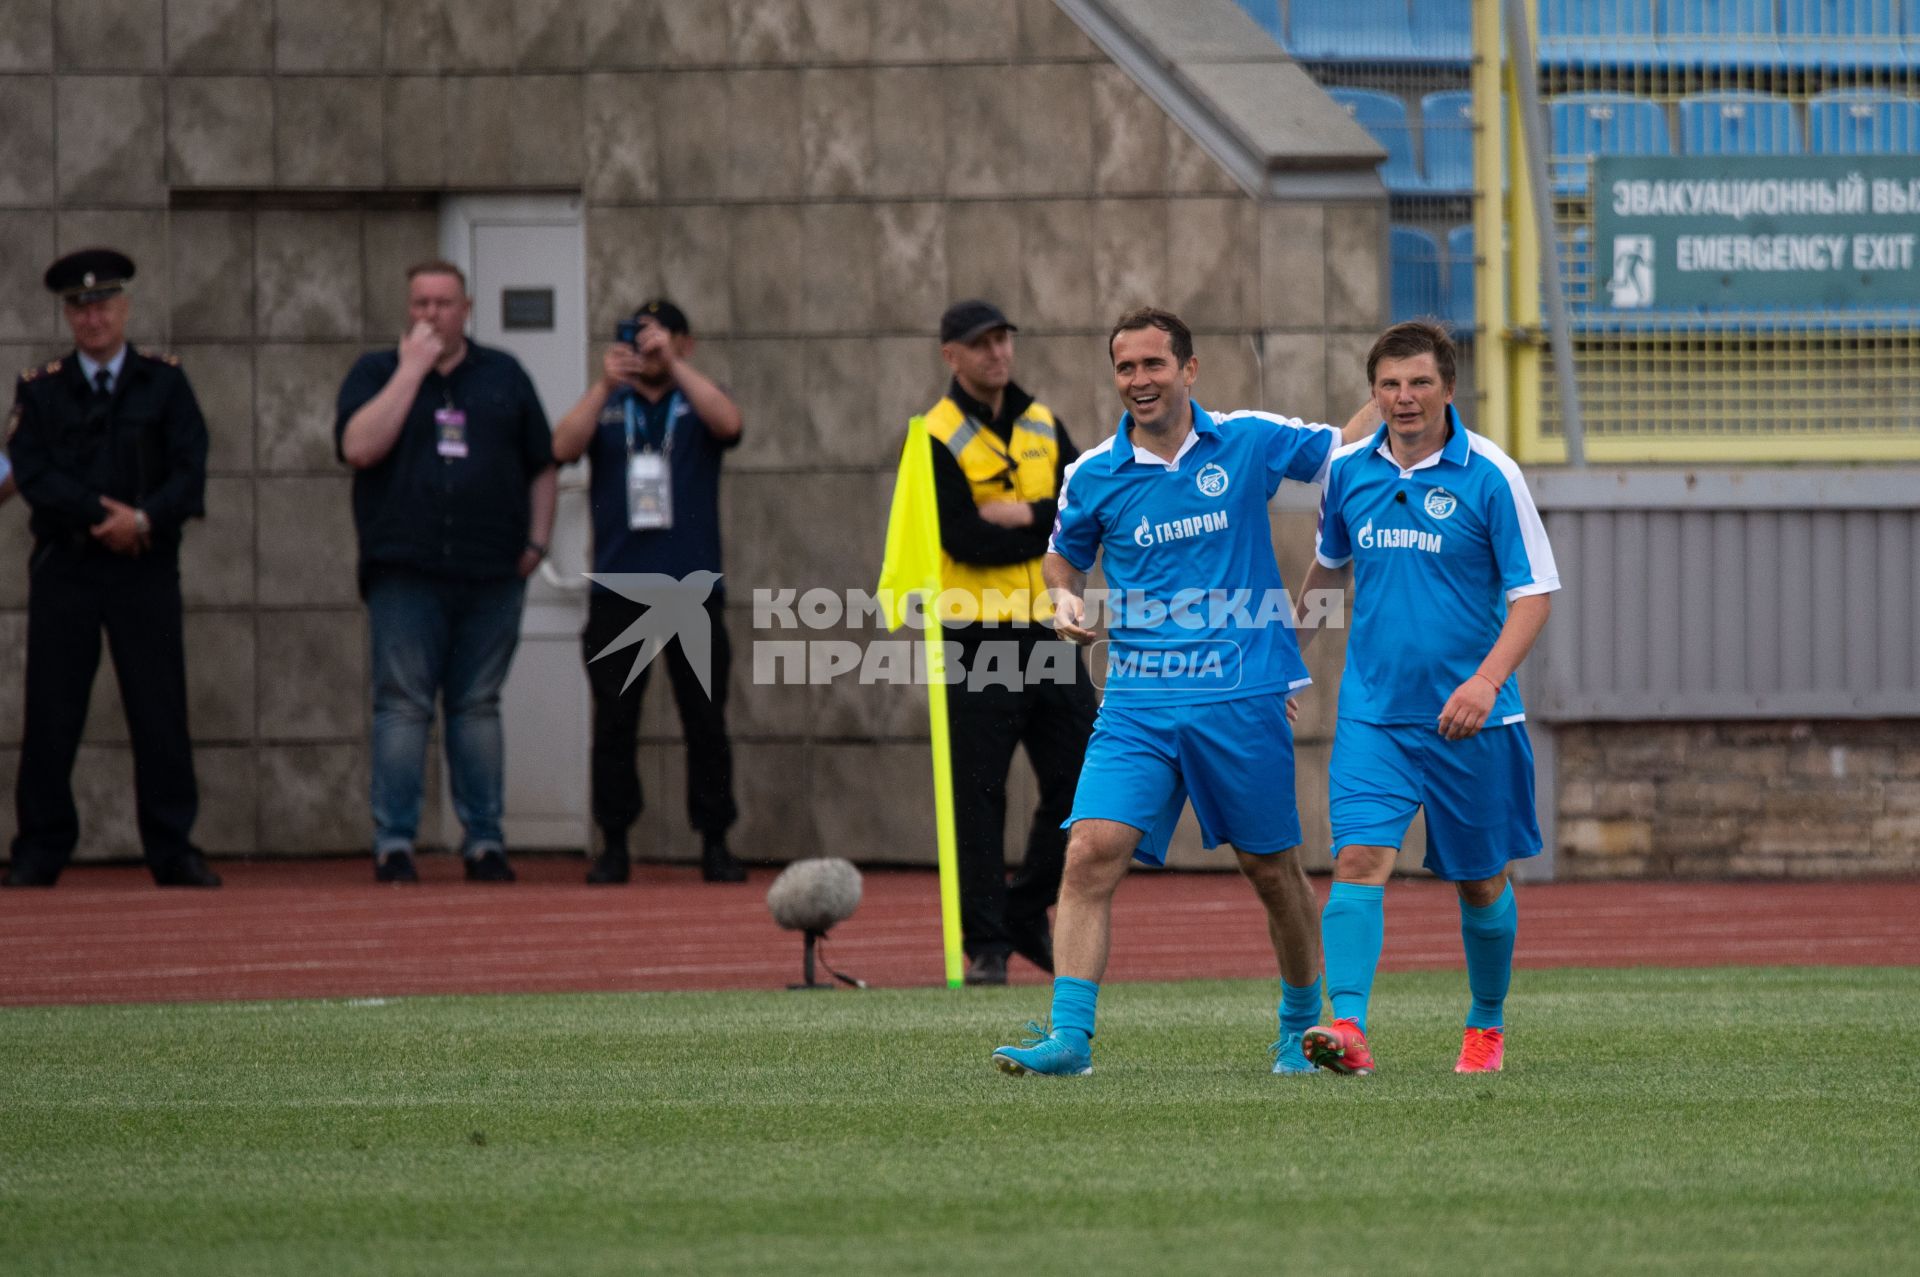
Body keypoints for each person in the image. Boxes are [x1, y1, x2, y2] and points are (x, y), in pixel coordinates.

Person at [992, 307, 1373, 1077]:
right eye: (1126, 367)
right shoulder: (1093, 472)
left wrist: (1402, 398)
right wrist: (1063, 598)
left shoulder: (1249, 439)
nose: (1139, 380)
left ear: (1188, 369)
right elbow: (1062, 559)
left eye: (1153, 365)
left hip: (1241, 696)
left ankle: (1299, 1022)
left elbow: (1346, 445)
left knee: (1272, 870)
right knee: (1090, 852)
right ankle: (1070, 1038)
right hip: (1137, 700)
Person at [1294, 320, 1559, 1075]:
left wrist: (1484, 681)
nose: (1404, 398)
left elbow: (1534, 595)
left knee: (1480, 879)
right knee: (1358, 858)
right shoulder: (1347, 471)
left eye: (1418, 383)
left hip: (1472, 719)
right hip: (1374, 711)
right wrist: (1285, 664)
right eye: (1389, 385)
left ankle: (1485, 1024)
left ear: (1447, 388)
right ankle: (1347, 1027)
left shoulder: (1491, 475)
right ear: (1373, 393)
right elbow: (1328, 572)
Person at [336, 261, 557, 884]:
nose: (430, 314)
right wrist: (412, 370)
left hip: (491, 572)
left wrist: (536, 544)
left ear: (468, 308)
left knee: (477, 706)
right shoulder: (377, 373)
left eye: (443, 303)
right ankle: (395, 843)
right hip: (405, 572)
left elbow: (543, 462)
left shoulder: (504, 377)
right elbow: (358, 447)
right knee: (403, 705)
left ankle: (484, 841)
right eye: (420, 303)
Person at [4, 248, 217, 888]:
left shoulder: (166, 382)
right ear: (67, 316)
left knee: (159, 710)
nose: (91, 317)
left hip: (143, 568)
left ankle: (172, 847)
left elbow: (190, 470)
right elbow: (33, 473)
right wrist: (103, 515)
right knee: (52, 711)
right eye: (78, 306)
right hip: (66, 567)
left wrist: (142, 521)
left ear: (125, 307)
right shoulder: (40, 389)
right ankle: (40, 848)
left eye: (101, 304)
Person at [922, 299, 1097, 986]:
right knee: (979, 792)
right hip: (974, 631)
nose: (997, 353)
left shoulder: (1043, 423)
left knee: (1084, 778)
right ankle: (988, 942)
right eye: (981, 343)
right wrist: (1043, 521)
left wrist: (1022, 514)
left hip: (1048, 628)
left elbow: (1084, 508)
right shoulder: (931, 434)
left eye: (1003, 340)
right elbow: (961, 535)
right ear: (951, 356)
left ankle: (1027, 906)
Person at [550, 300, 747, 885]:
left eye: (659, 341)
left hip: (691, 587)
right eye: (637, 342)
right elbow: (561, 448)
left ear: (684, 343)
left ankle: (715, 838)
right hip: (619, 587)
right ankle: (614, 841)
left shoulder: (697, 397)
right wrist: (604, 385)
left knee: (705, 719)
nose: (647, 352)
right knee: (615, 721)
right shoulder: (609, 404)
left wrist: (676, 367)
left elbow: (730, 424)